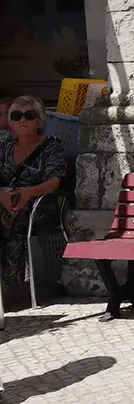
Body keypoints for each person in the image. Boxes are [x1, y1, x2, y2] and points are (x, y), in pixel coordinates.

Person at [0, 96, 69, 288]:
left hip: (40, 203)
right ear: (10, 121)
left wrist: (28, 193)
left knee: (11, 220)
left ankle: (12, 286)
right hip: (6, 200)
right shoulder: (4, 146)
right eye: (16, 115)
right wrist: (2, 196)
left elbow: (54, 181)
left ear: (39, 121)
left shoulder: (52, 146)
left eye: (29, 115)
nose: (22, 120)